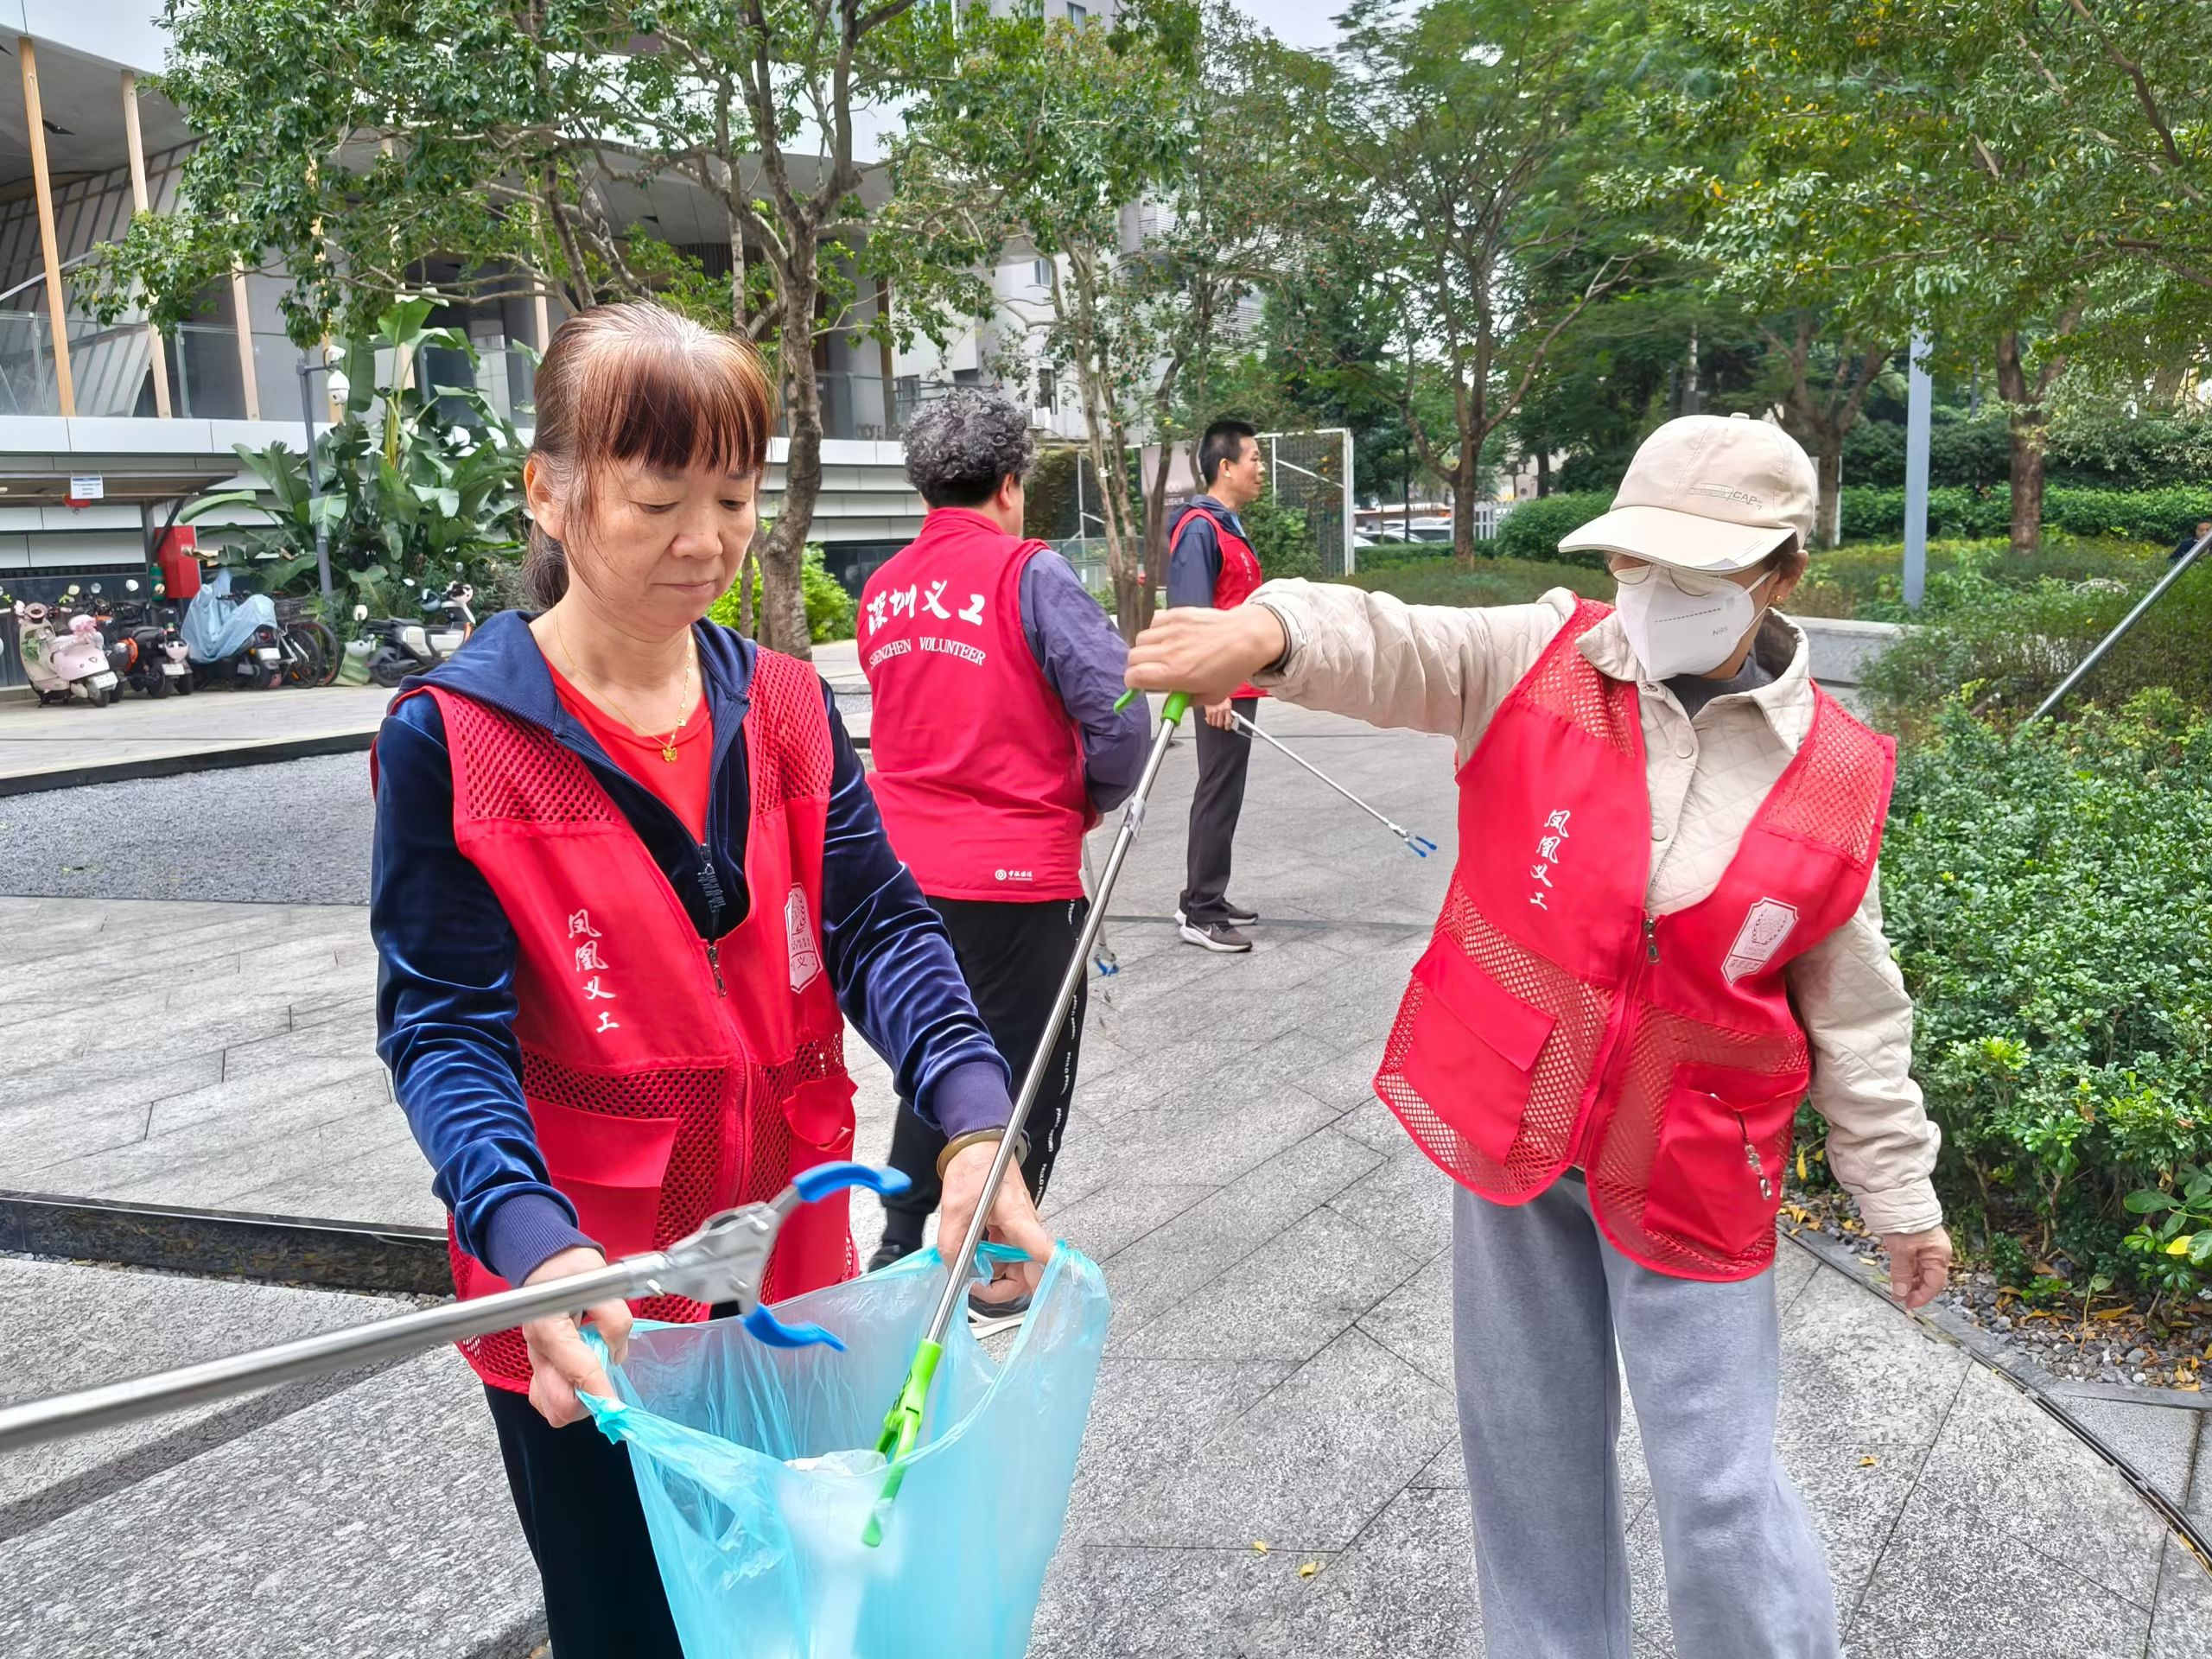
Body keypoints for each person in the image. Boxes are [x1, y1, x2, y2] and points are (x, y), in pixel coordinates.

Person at [1125, 413, 1951, 1659]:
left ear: (1780, 575)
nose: (1653, 594)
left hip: (1693, 1164)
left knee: (1721, 1490)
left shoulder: (1835, 773)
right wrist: (1268, 631)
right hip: (1515, 1117)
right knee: (1528, 1455)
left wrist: (1899, 1195)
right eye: (1635, 562)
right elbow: (1394, 642)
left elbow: (1857, 1010)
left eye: (1695, 572)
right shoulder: (1542, 656)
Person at [369, 302, 1050, 1658]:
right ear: (550, 492)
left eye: (733, 499)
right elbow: (443, 1032)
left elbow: (880, 927)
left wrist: (976, 1122)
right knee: (627, 1621)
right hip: (588, 1294)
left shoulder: (785, 706)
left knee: (804, 1611)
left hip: (786, 1273)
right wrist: (534, 1246)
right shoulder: (455, 739)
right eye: (657, 500)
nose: (706, 543)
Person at [858, 391, 1148, 1329]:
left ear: (924, 490)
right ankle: (994, 1276)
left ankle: (902, 1242)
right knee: (1023, 1077)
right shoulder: (1031, 573)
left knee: (940, 1056)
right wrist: (1082, 799)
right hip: (1016, 876)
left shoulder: (884, 587)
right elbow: (1121, 720)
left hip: (902, 877)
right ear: (1011, 484)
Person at [1166, 417, 1270, 952]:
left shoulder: (1226, 525)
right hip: (1222, 687)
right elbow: (1190, 615)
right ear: (1225, 466)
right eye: (1254, 458)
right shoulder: (1200, 528)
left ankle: (1205, 894)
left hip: (1239, 681)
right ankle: (1201, 913)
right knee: (1217, 791)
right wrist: (1213, 690)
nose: (1261, 468)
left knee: (1225, 791)